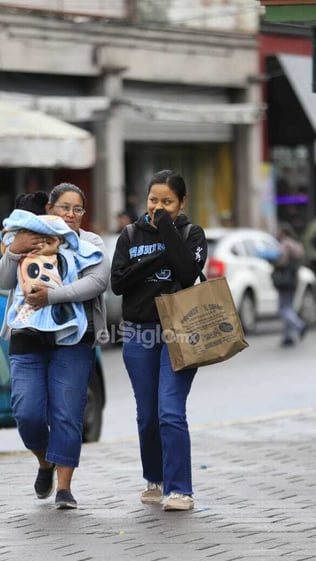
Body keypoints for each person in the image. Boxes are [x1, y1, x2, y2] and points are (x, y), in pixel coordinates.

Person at [0, 183, 109, 509]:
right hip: (27, 334)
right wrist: (16, 248)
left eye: (77, 209)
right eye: (64, 208)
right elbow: (2, 281)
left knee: (67, 413)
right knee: (26, 412)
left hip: (74, 338)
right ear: (50, 209)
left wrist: (51, 297)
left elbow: (97, 282)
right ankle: (45, 462)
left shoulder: (90, 243)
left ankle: (64, 488)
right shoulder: (27, 236)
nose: (70, 215)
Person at [110, 169, 208, 512]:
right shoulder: (129, 234)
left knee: (170, 411)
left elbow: (186, 272)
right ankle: (154, 477)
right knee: (147, 415)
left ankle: (181, 489)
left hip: (179, 332)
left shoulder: (191, 234)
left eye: (167, 201)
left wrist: (166, 229)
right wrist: (157, 257)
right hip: (139, 332)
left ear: (181, 203)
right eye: (154, 200)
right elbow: (119, 283)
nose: (158, 207)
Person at [273, 223, 308, 347]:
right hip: (294, 279)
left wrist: (273, 261)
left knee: (283, 308)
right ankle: (288, 337)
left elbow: (281, 261)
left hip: (284, 279)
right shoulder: (297, 245)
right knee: (289, 307)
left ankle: (300, 325)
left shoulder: (285, 244)